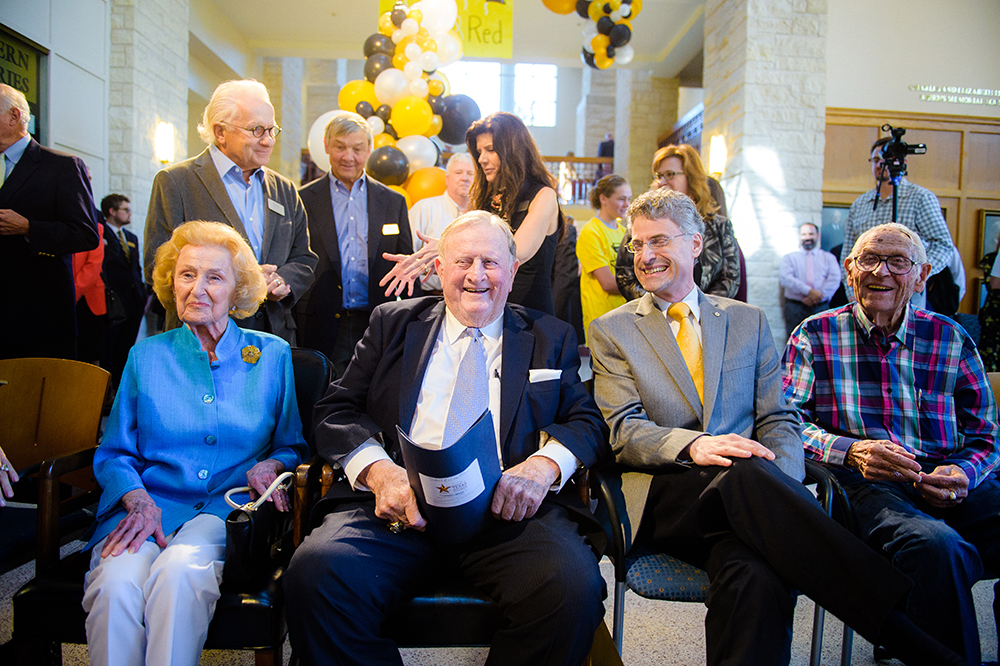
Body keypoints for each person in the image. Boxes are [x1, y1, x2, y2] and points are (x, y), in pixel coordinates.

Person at [589, 188, 965, 666]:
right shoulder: (612, 329)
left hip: (754, 501)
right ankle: (904, 632)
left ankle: (903, 630)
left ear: (697, 245)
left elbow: (779, 418)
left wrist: (781, 487)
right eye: (637, 245)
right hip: (669, 495)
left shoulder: (748, 320)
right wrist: (697, 445)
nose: (645, 256)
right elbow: (623, 430)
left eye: (658, 241)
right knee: (745, 471)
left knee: (754, 573)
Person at [284, 211, 608, 666]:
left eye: (491, 263)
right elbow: (336, 411)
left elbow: (587, 420)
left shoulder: (549, 335)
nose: (476, 275)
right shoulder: (392, 323)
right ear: (439, 269)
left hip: (509, 515)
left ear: (513, 273)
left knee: (571, 586)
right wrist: (379, 474)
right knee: (316, 575)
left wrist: (543, 467)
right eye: (463, 262)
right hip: (398, 511)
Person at [81, 220, 308, 666]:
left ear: (238, 289)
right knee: (115, 584)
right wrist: (134, 496)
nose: (197, 288)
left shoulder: (272, 354)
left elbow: (292, 444)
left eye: (214, 277)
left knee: (180, 572)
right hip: (147, 505)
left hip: (227, 507)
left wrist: (271, 465)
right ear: (172, 280)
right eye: (187, 274)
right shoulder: (145, 355)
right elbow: (114, 453)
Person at [783, 222, 1000, 665]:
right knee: (938, 548)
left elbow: (986, 436)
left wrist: (962, 472)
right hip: (863, 485)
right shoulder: (815, 335)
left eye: (898, 261)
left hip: (947, 478)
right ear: (849, 270)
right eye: (869, 259)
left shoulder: (951, 338)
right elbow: (786, 424)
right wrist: (851, 450)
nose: (881, 271)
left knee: (948, 544)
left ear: (921, 276)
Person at [143, 79, 317, 345]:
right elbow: (158, 268)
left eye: (272, 130)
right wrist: (240, 283)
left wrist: (282, 281)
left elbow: (304, 257)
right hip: (203, 338)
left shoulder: (284, 189)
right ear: (220, 131)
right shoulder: (176, 182)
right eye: (257, 130)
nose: (268, 141)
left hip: (272, 337)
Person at [380, 112, 563, 315]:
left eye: (491, 150)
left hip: (530, 313)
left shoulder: (544, 195)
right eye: (479, 152)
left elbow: (517, 251)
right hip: (489, 312)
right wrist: (431, 260)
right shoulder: (488, 198)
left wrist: (445, 249)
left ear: (514, 150)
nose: (482, 159)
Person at [296, 111, 419, 376]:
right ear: (327, 146)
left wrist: (415, 321)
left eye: (357, 148)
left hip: (376, 321)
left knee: (371, 399)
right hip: (321, 323)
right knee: (321, 399)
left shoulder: (392, 201)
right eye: (340, 147)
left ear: (369, 150)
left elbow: (406, 263)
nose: (348, 156)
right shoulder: (303, 200)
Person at [0, 83, 100, 360]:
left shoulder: (61, 166)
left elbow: (85, 234)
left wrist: (29, 227)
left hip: (35, 317)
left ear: (14, 116)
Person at [839, 136, 954, 309]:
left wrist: (915, 274)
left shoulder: (920, 198)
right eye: (876, 160)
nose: (880, 164)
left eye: (887, 159)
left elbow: (943, 245)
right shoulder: (860, 204)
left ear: (903, 162)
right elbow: (848, 253)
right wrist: (851, 292)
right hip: (866, 291)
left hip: (905, 293)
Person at [615, 144, 740, 301]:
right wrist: (661, 306)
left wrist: (696, 308)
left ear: (691, 177)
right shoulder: (644, 223)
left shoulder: (718, 226)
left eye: (669, 174)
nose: (661, 182)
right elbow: (624, 275)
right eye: (658, 176)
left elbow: (730, 279)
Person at [406, 152, 474, 292]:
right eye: (458, 172)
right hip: (428, 297)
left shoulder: (483, 216)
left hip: (473, 298)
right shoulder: (424, 208)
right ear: (447, 179)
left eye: (470, 173)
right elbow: (406, 254)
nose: (465, 178)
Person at [577, 174, 630, 342]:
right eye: (621, 199)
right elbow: (607, 283)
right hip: (602, 318)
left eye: (629, 199)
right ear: (603, 198)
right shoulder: (591, 232)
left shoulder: (624, 232)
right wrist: (643, 283)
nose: (626, 205)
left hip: (626, 315)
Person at [101, 194, 147, 388]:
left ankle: (122, 389)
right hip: (111, 301)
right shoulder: (100, 234)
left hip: (133, 301)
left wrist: (143, 296)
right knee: (108, 348)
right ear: (112, 211)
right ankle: (106, 391)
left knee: (126, 348)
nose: (129, 213)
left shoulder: (131, 237)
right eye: (125, 209)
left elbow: (136, 268)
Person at [778, 222, 841, 337]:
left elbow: (835, 279)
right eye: (804, 234)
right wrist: (809, 292)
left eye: (811, 234)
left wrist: (817, 295)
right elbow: (786, 278)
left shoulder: (828, 258)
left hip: (820, 307)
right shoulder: (789, 258)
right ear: (799, 236)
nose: (807, 237)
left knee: (821, 342)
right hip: (795, 307)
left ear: (818, 236)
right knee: (794, 341)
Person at [73, 221, 107, 365]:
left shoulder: (95, 227)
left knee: (91, 353)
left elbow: (94, 264)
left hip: (88, 297)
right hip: (62, 297)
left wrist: (72, 292)